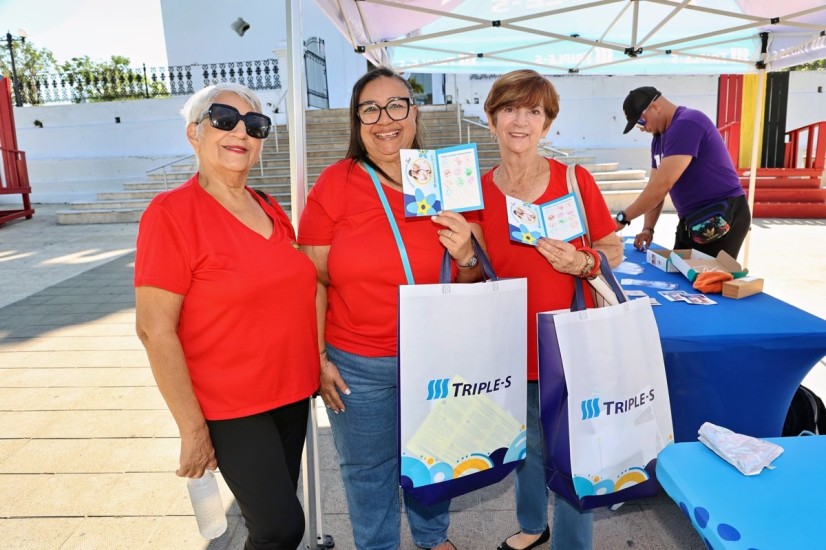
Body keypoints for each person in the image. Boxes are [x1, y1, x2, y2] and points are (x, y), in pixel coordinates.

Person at [298, 66, 482, 550]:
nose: (385, 119)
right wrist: (316, 358)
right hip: (358, 361)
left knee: (435, 456)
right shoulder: (335, 183)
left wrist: (466, 255)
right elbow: (311, 279)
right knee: (366, 470)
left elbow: (476, 278)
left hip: (437, 355)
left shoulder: (446, 176)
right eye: (370, 109)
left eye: (397, 104)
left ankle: (432, 537)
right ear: (357, 122)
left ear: (414, 112)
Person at [134, 83, 319, 549]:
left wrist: (319, 357)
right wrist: (192, 428)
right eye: (224, 119)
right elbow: (154, 329)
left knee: (274, 520)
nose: (241, 132)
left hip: (292, 393)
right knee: (281, 528)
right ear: (194, 134)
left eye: (255, 126)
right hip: (231, 404)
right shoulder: (171, 213)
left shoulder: (270, 206)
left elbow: (298, 289)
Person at [478, 69, 623, 550]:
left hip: (570, 343)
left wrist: (583, 261)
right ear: (493, 117)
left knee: (574, 451)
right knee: (526, 444)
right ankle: (531, 526)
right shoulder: (476, 191)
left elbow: (612, 248)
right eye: (510, 109)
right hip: (507, 344)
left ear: (548, 123)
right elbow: (473, 268)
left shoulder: (573, 180)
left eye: (533, 111)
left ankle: (571, 543)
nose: (521, 121)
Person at [618, 86, 751, 258]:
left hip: (718, 215)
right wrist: (648, 228)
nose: (642, 128)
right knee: (679, 277)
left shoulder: (687, 123)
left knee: (705, 280)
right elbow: (654, 187)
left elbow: (662, 185)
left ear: (655, 107)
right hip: (692, 220)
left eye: (641, 122)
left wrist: (623, 218)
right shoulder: (658, 140)